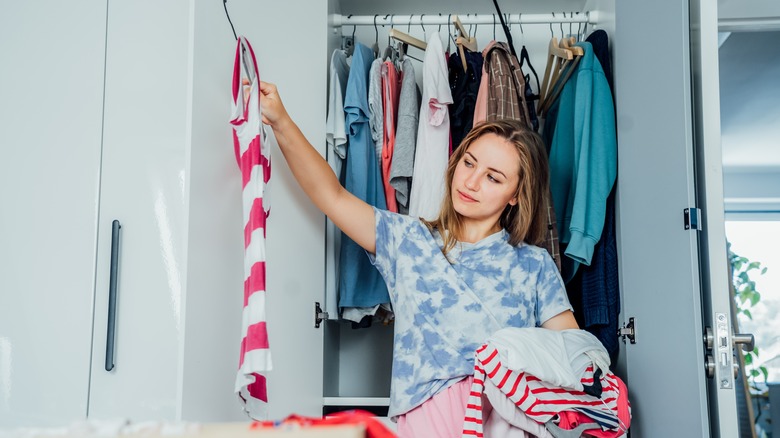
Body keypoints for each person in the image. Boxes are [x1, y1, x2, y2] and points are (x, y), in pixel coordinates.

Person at [256, 80, 579, 437]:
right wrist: (281, 121)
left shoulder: (534, 265)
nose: (471, 182)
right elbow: (332, 196)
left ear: (516, 195)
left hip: (507, 422)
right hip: (425, 419)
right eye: (468, 163)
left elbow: (573, 360)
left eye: (493, 177)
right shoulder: (408, 240)